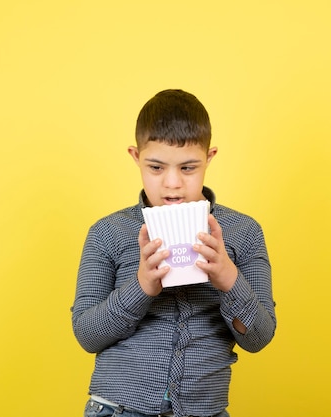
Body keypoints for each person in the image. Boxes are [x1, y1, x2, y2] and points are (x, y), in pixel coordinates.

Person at [71, 89, 276, 417]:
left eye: (188, 168)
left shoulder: (243, 233)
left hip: (206, 411)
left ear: (209, 158)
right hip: (117, 409)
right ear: (136, 157)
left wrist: (228, 279)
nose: (172, 184)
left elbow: (259, 337)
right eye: (155, 167)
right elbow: (87, 334)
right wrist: (141, 288)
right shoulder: (107, 233)